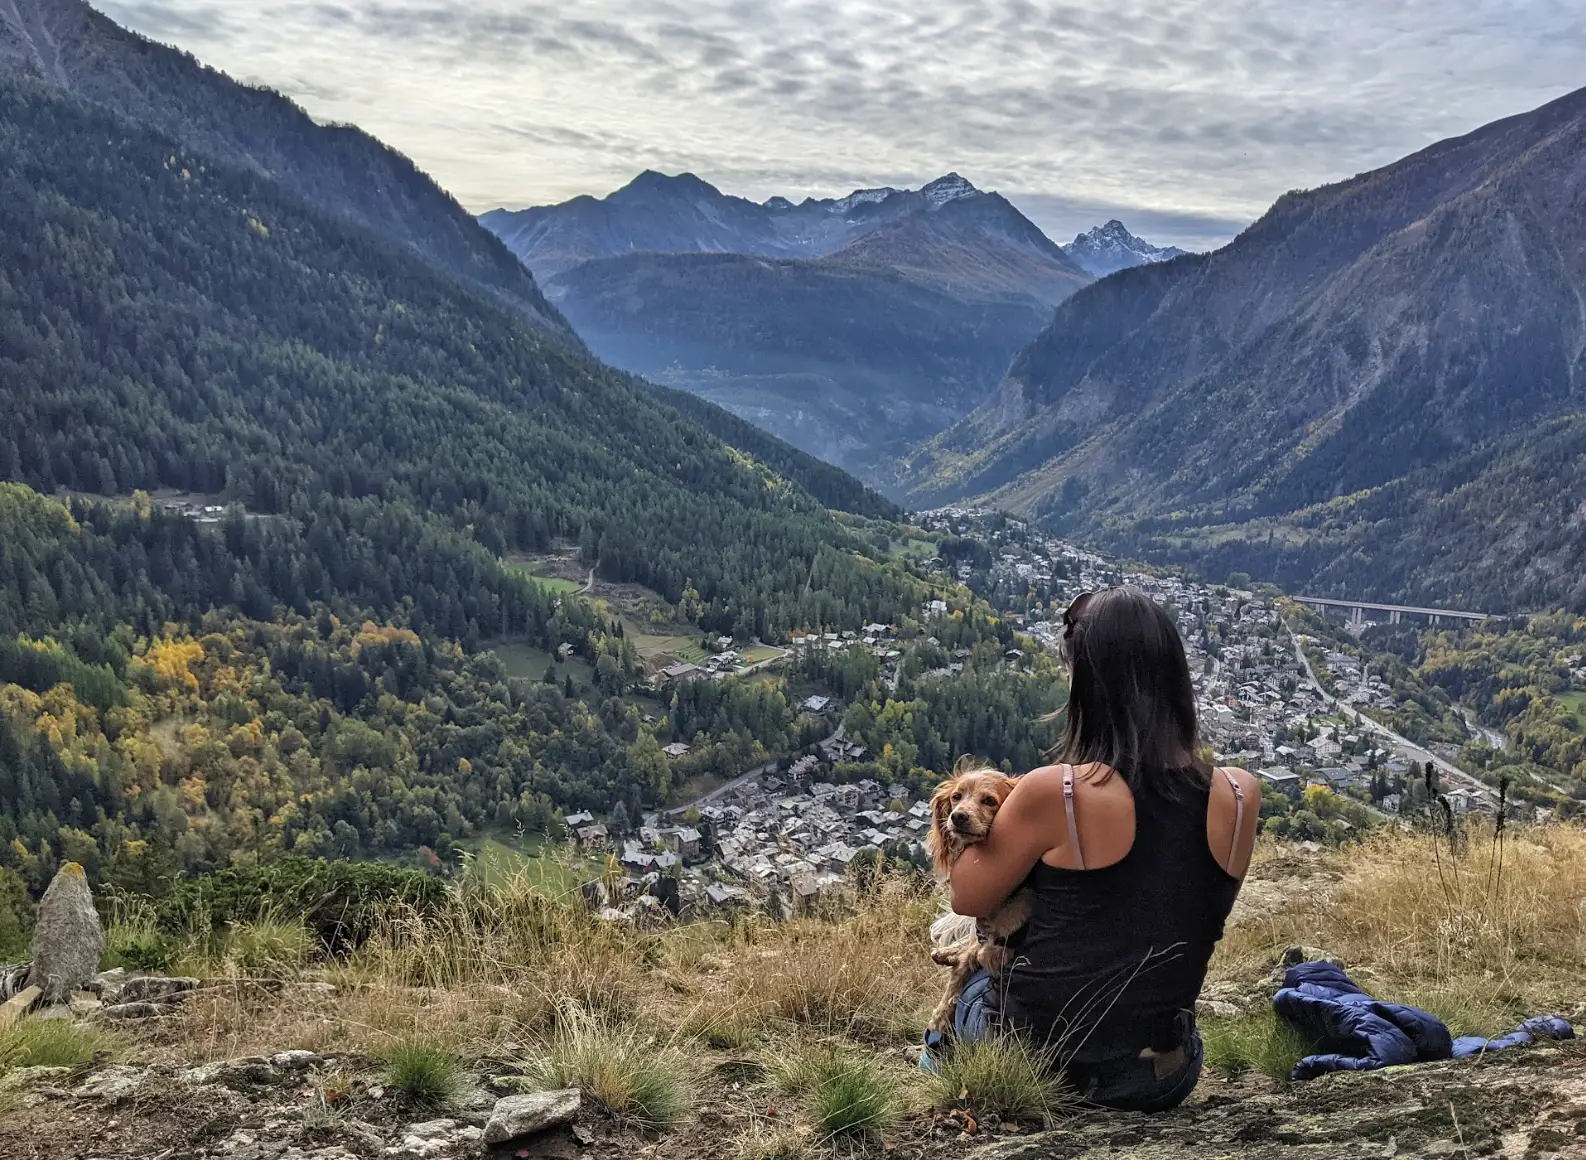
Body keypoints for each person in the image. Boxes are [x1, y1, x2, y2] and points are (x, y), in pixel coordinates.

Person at [937, 587, 1260, 1112]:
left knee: (969, 994)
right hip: (1161, 1072)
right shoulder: (1240, 794)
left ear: (1087, 684)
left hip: (1032, 1059)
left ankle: (942, 1065)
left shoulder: (1055, 792)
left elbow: (966, 896)